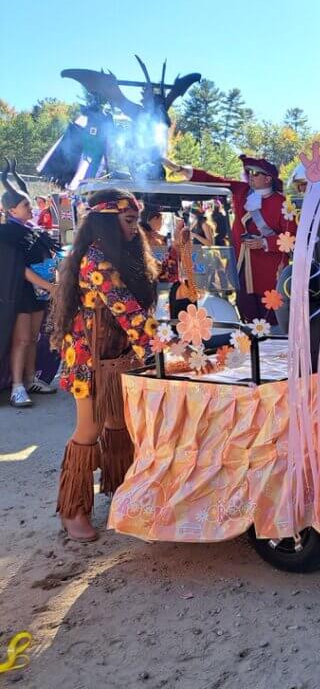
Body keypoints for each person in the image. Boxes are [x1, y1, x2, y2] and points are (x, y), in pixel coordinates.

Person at [50, 188, 187, 541]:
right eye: (128, 221)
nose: (134, 228)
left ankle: (119, 490)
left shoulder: (128, 253)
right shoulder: (94, 259)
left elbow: (164, 276)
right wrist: (164, 349)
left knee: (119, 424)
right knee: (90, 430)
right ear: (107, 221)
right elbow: (128, 310)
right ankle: (73, 509)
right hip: (90, 360)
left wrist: (181, 247)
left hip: (121, 355)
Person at [163, 154, 297, 322]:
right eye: (248, 172)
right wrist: (179, 169)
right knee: (246, 308)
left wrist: (264, 242)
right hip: (242, 263)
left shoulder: (284, 204)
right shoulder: (242, 190)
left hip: (270, 267)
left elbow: (292, 238)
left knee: (271, 311)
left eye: (256, 173)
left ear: (268, 179)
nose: (250, 176)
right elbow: (212, 180)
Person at [1, 159, 60, 407]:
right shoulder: (6, 233)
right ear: (12, 210)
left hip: (39, 292)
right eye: (26, 205)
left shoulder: (30, 229)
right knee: (22, 339)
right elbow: (18, 268)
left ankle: (29, 378)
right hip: (21, 293)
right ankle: (16, 386)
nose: (31, 208)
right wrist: (50, 286)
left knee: (34, 337)